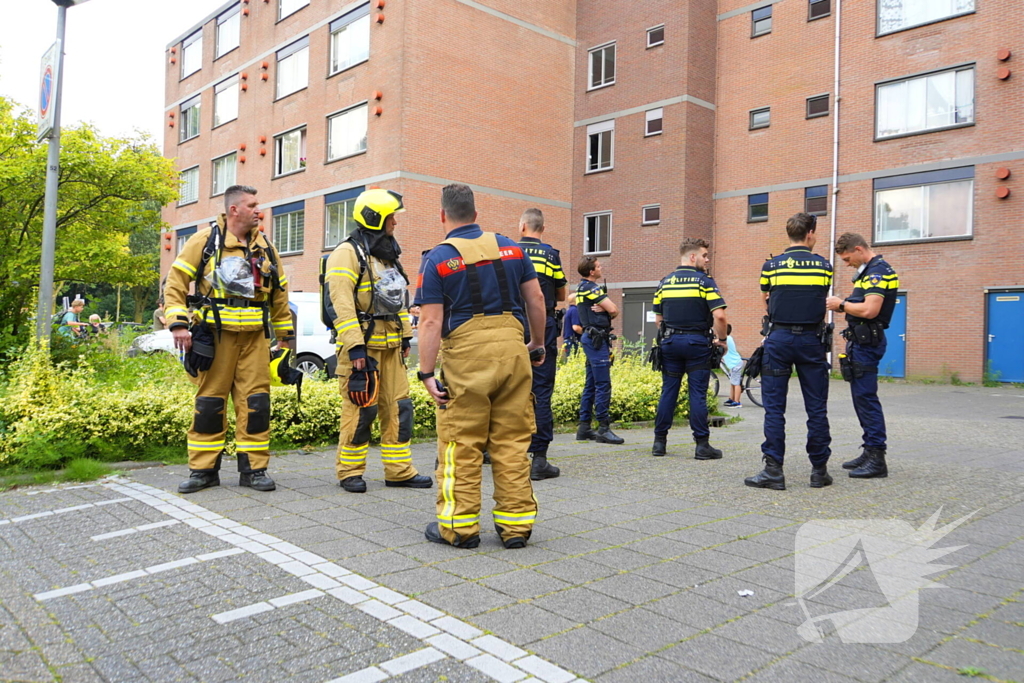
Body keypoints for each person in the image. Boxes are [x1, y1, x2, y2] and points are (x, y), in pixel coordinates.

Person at [415, 183, 546, 550]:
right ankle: (516, 527)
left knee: (462, 442)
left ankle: (459, 528)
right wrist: (536, 343)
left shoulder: (437, 259)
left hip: (467, 357)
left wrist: (426, 373)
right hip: (513, 351)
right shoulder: (511, 248)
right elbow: (535, 298)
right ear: (476, 214)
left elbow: (429, 323)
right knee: (512, 442)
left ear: (443, 216)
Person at [164, 185, 294, 494]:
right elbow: (175, 283)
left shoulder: (267, 249)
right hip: (215, 338)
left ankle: (254, 471)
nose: (258, 210)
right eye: (252, 205)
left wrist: (286, 339)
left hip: (254, 342)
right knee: (209, 404)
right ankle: (203, 471)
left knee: (256, 405)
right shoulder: (205, 242)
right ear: (234, 209)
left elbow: (280, 296)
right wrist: (178, 325)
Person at [324, 188, 431, 493]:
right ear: (374, 219)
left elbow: (397, 301)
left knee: (399, 408)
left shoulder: (386, 255)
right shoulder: (347, 253)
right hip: (364, 350)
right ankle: (349, 472)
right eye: (390, 217)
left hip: (392, 346)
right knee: (361, 409)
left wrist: (406, 337)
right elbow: (342, 304)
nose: (395, 222)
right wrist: (355, 346)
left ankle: (398, 471)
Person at [745, 213, 834, 491]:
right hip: (811, 341)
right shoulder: (824, 266)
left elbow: (765, 300)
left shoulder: (770, 266)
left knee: (774, 409)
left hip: (779, 339)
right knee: (816, 407)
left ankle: (773, 470)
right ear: (810, 234)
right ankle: (819, 471)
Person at [826, 232, 899, 479]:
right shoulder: (869, 272)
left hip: (868, 343)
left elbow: (870, 309)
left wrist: (841, 305)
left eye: (847, 258)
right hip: (860, 342)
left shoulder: (878, 272)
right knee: (861, 399)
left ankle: (877, 457)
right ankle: (869, 451)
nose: (847, 264)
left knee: (866, 399)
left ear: (858, 249)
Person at [651, 238, 728, 459]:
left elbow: (658, 319)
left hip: (670, 343)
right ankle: (702, 446)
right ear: (692, 257)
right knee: (697, 394)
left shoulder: (664, 282)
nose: (707, 259)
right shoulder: (704, 282)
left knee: (669, 391)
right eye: (704, 255)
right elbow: (720, 315)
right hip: (697, 344)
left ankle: (659, 443)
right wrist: (722, 340)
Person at [518, 208, 568, 480]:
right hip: (543, 324)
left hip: (513, 323)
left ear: (522, 226)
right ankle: (539, 459)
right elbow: (562, 293)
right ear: (542, 228)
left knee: (505, 385)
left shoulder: (508, 251)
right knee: (541, 389)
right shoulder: (551, 254)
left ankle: (498, 450)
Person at [575, 257, 624, 444]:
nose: (600, 268)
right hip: (596, 340)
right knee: (603, 384)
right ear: (591, 272)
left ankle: (584, 427)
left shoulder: (580, 287)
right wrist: (606, 311)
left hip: (589, 337)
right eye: (598, 266)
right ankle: (603, 429)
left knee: (591, 384)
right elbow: (614, 309)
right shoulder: (592, 288)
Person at [723, 325, 743, 407]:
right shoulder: (728, 338)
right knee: (732, 382)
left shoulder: (727, 339)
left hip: (735, 363)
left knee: (736, 383)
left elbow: (715, 342)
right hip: (733, 364)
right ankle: (731, 398)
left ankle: (737, 402)